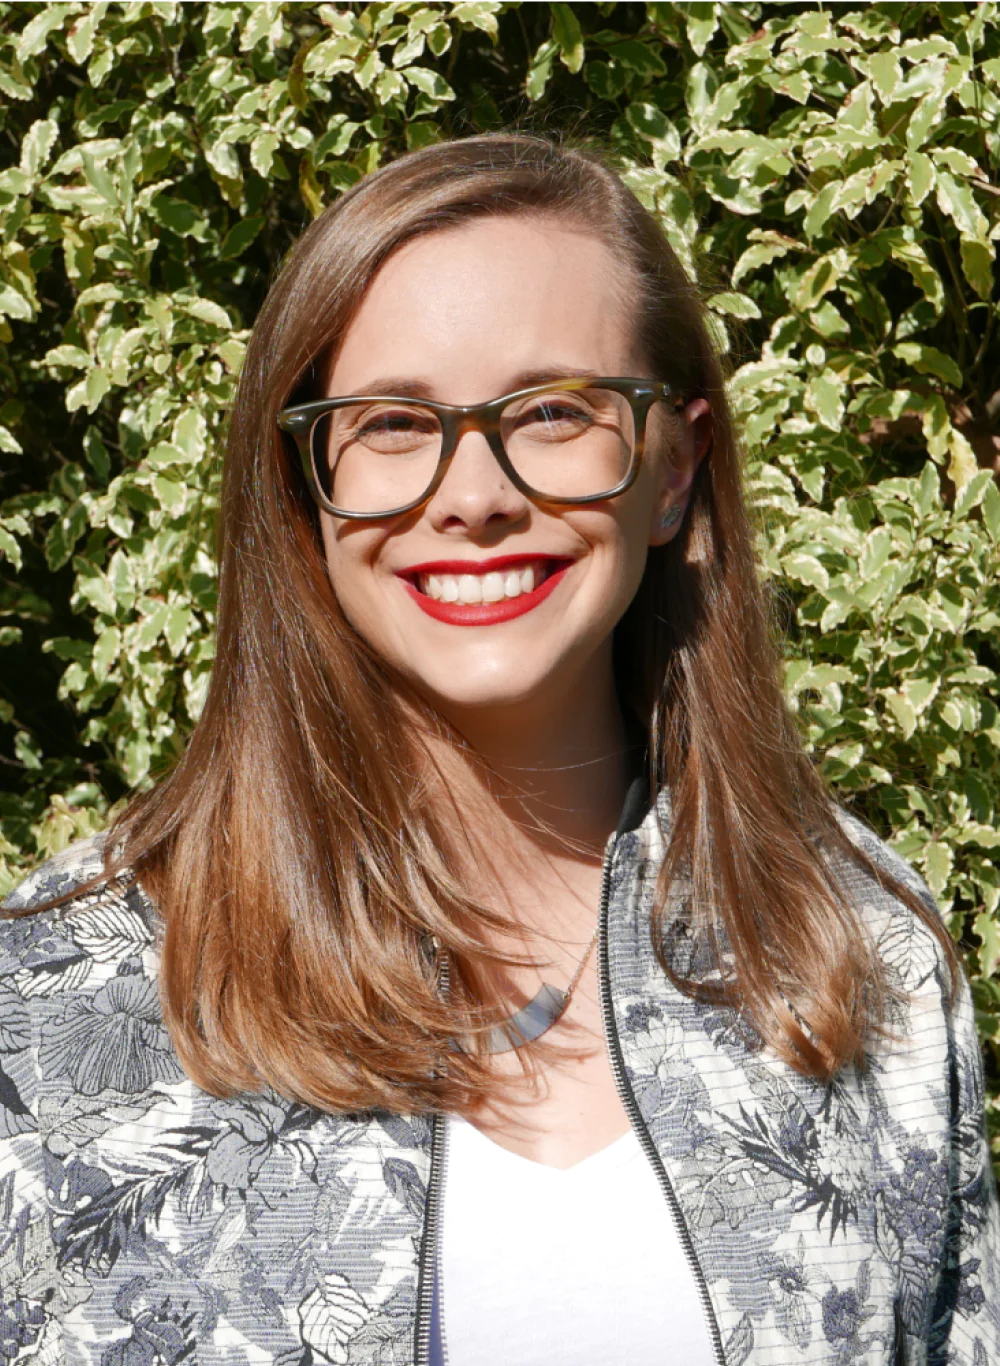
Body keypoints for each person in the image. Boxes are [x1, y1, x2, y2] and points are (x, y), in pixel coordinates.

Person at [1, 133, 997, 1366]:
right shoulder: (57, 999)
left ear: (671, 468)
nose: (472, 495)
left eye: (552, 411)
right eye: (390, 423)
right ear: (303, 481)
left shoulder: (860, 957)